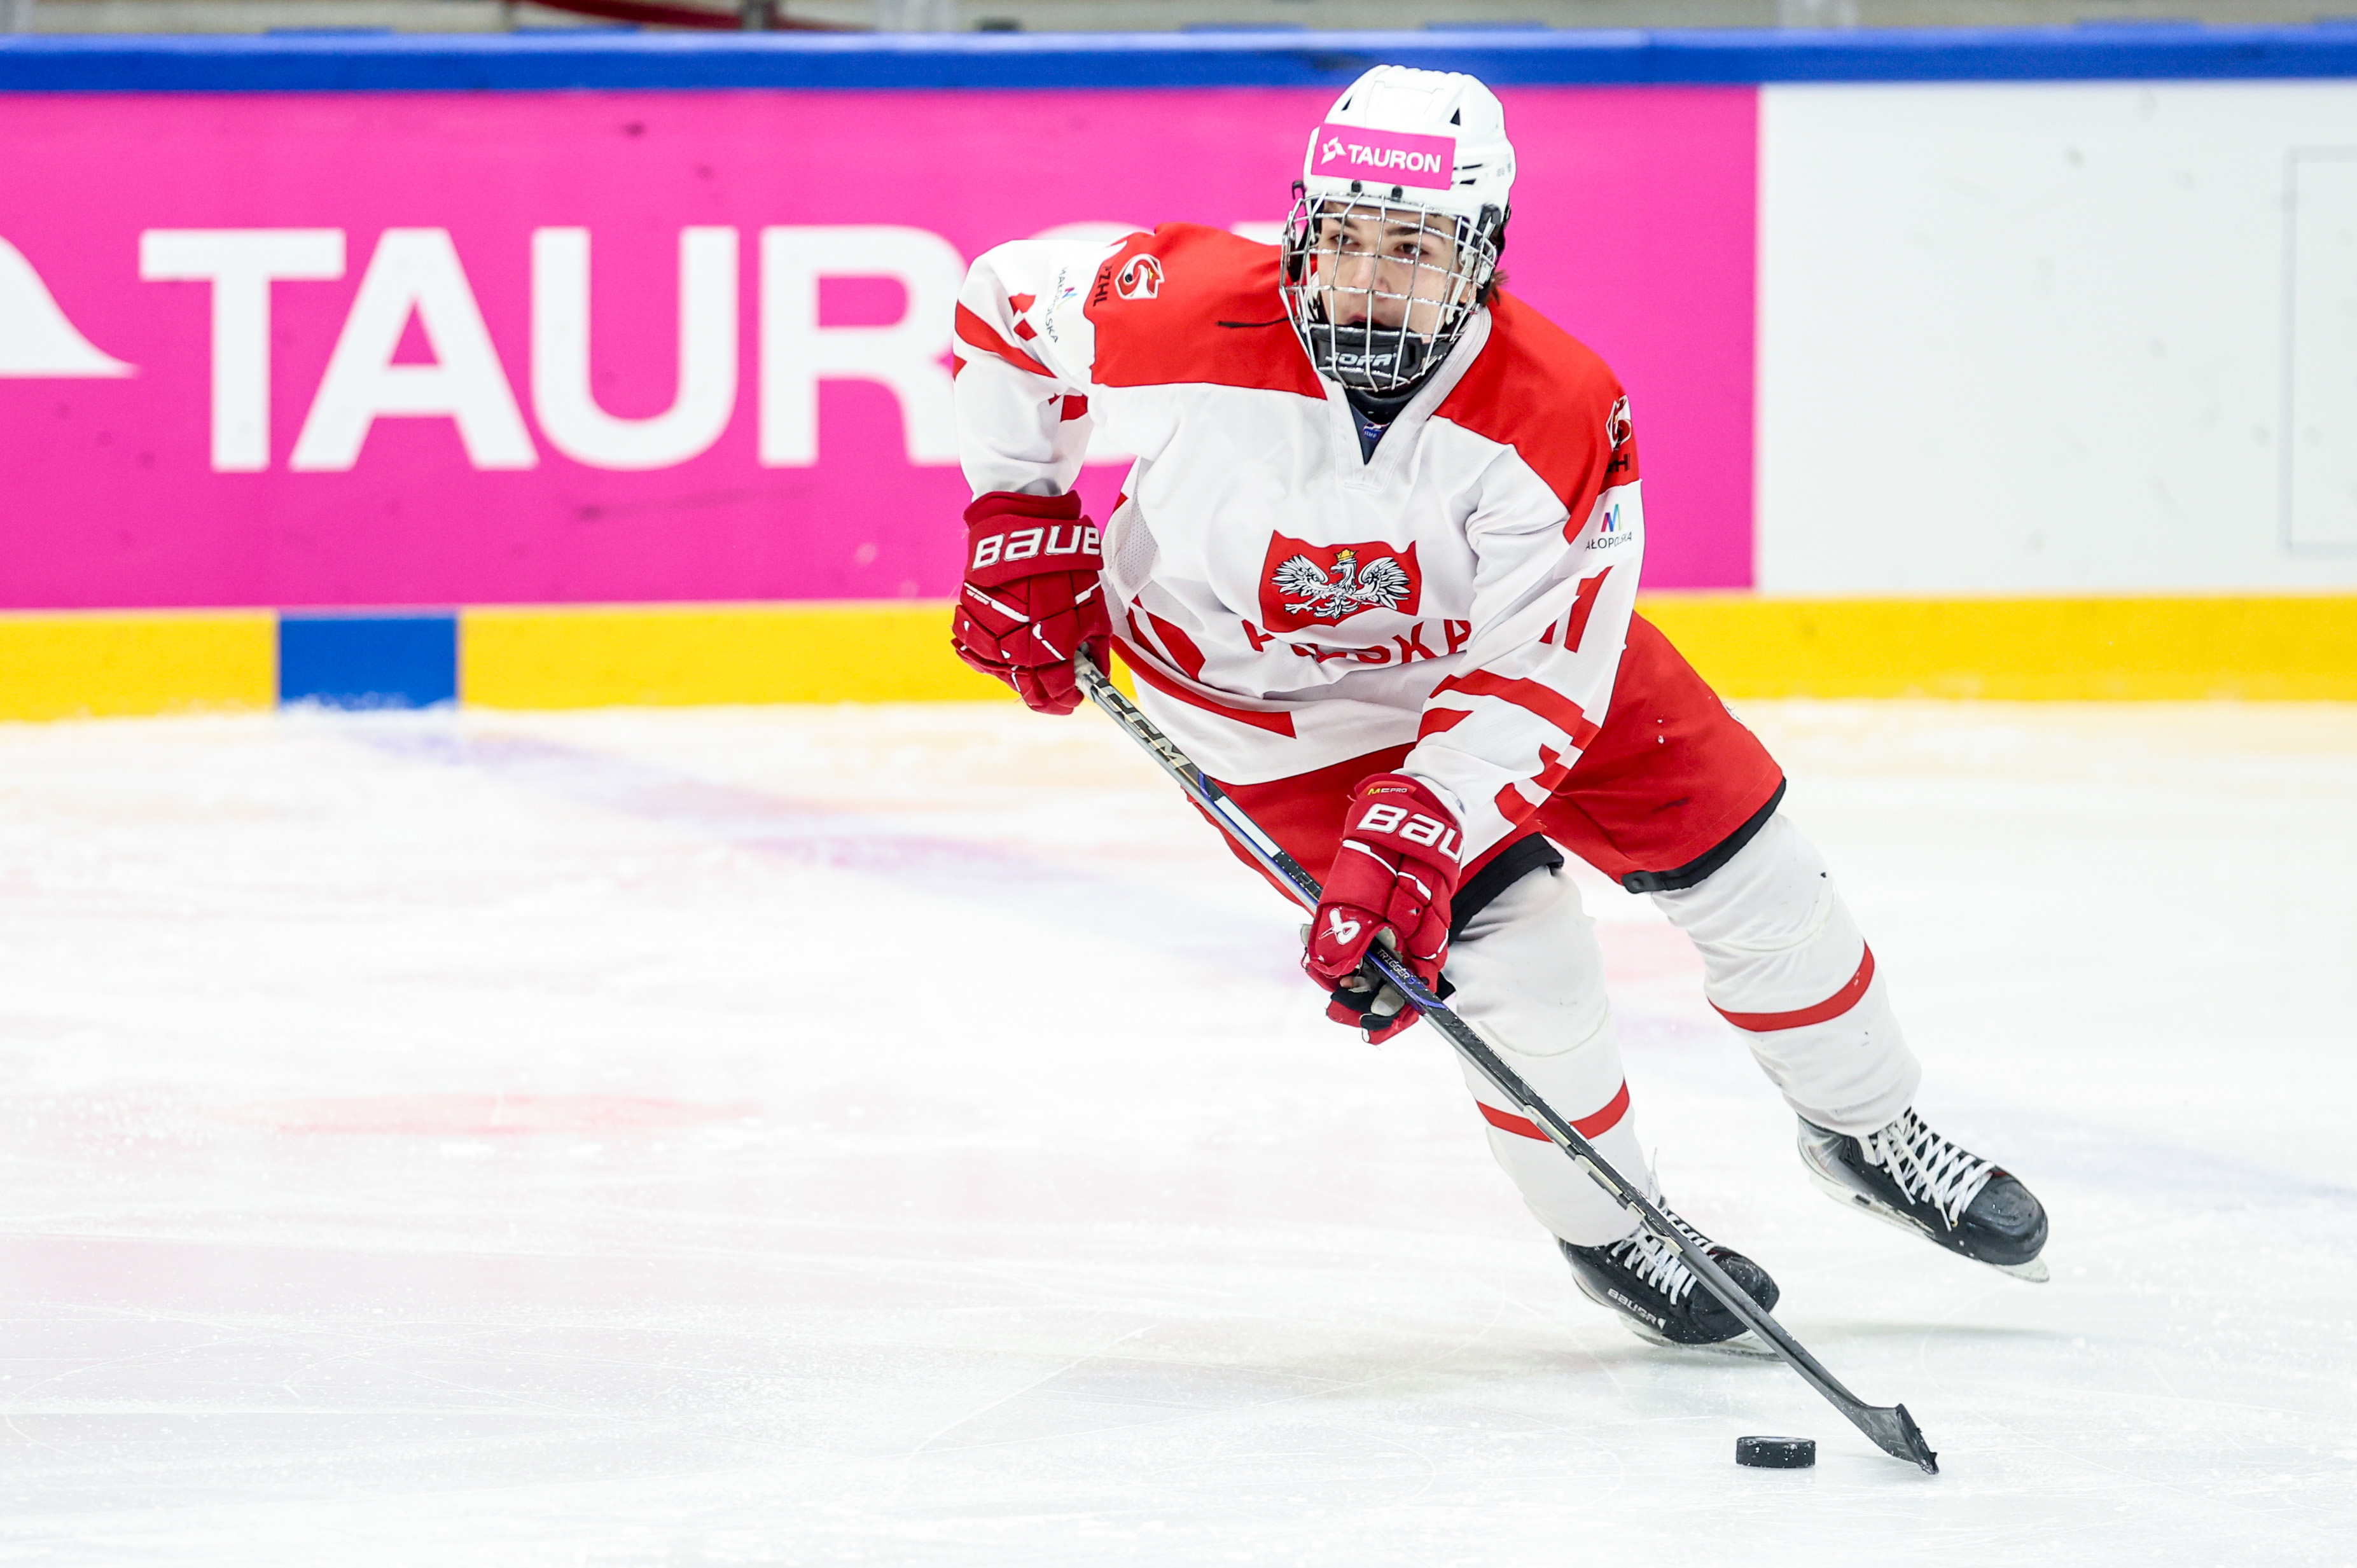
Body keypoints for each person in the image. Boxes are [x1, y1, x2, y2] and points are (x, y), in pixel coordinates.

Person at [947, 64, 2048, 1350]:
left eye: (1413, 249)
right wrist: (1016, 507)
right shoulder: (1187, 302)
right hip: (1264, 704)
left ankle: (1869, 1128)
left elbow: (1539, 676)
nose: (1368, 280)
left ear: (1480, 257)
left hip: (1510, 665)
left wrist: (1425, 815)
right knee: (1521, 953)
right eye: (1345, 238)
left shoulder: (1560, 406)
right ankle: (1612, 1226)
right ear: (1302, 226)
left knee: (1759, 877)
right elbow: (1003, 301)